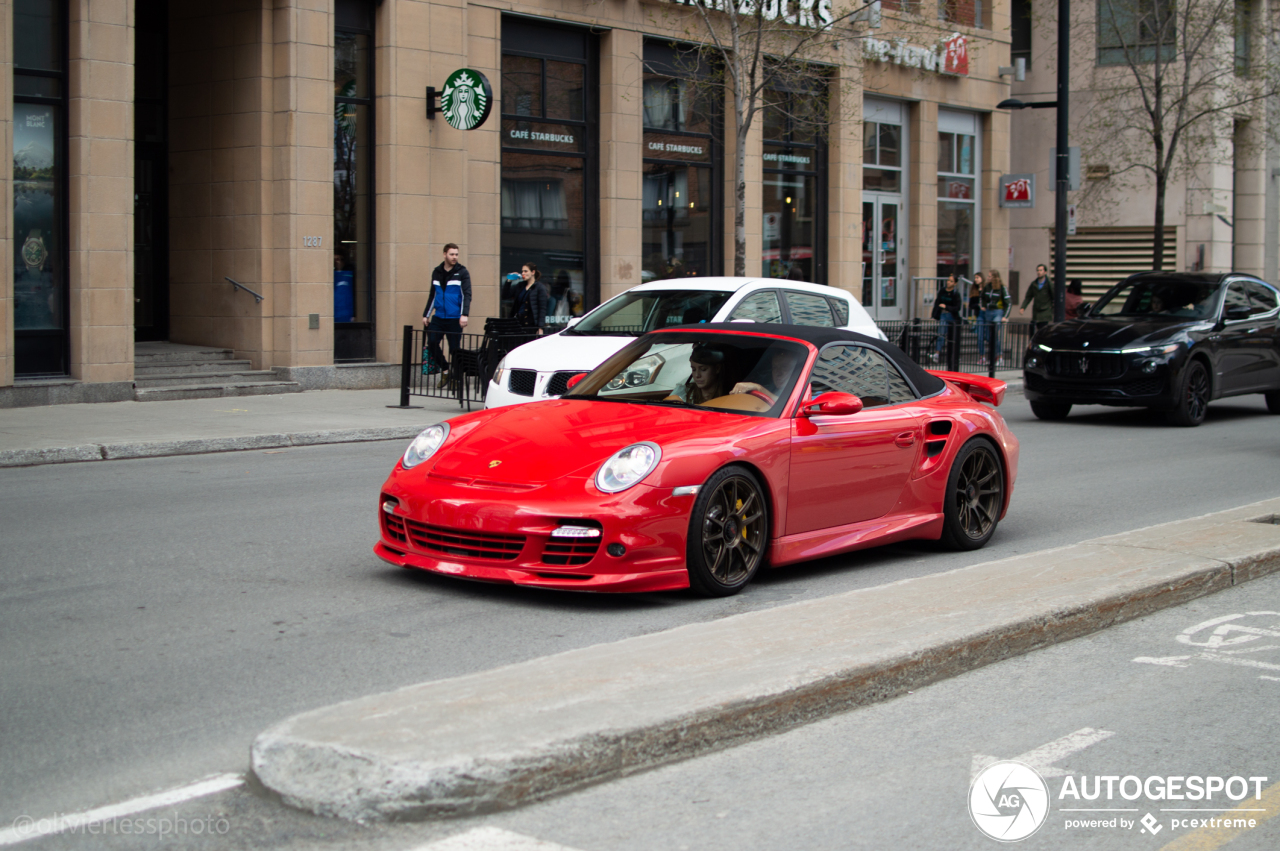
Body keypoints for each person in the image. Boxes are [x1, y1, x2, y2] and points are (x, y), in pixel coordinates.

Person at [422, 243, 471, 375]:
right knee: (432, 343)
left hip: (455, 318)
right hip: (438, 317)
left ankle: (456, 377)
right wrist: (426, 315)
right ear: (445, 255)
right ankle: (445, 369)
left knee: (454, 349)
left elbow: (467, 295)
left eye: (456, 254)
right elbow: (433, 295)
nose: (454, 257)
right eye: (451, 254)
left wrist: (464, 314)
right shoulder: (436, 272)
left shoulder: (462, 272)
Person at [730, 348, 801, 405]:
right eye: (775, 367)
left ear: (795, 370)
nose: (778, 373)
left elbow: (787, 405)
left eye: (784, 367)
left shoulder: (801, 392)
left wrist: (758, 388)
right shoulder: (771, 389)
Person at [977, 270, 1011, 365]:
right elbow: (982, 297)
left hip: (997, 312)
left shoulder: (1002, 288)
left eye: (990, 276)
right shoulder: (987, 287)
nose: (988, 278)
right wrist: (982, 305)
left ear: (995, 277)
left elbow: (1008, 302)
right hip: (988, 312)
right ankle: (992, 356)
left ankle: (999, 356)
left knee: (994, 335)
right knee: (988, 336)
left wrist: (1005, 316)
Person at [511, 263, 550, 335]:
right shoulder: (520, 285)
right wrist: (509, 281)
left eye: (526, 271)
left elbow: (542, 309)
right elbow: (505, 295)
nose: (523, 273)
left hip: (531, 324)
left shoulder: (540, 287)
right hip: (518, 323)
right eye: (522, 271)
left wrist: (540, 327)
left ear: (533, 272)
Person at [933, 274, 963, 362]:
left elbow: (957, 307)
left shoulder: (956, 294)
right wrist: (935, 314)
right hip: (943, 314)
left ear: (955, 283)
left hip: (952, 316)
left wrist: (946, 307)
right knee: (941, 334)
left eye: (951, 281)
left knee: (953, 336)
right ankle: (937, 353)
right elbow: (937, 302)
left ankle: (955, 356)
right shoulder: (942, 291)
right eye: (948, 280)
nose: (948, 282)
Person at [1021, 263, 1055, 334]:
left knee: (1043, 329)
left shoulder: (1049, 284)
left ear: (1045, 272)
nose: (1039, 272)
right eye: (1038, 270)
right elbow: (1028, 296)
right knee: (1033, 328)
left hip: (1045, 310)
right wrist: (1023, 307)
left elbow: (1053, 296)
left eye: (1040, 270)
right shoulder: (1034, 284)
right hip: (1036, 310)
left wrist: (1052, 308)